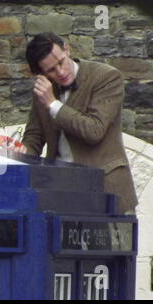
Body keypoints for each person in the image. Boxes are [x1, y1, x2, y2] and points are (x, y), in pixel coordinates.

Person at [18, 32, 137, 214]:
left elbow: (94, 130)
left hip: (106, 193)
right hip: (61, 194)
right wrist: (22, 151)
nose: (61, 72)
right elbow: (34, 136)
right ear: (41, 73)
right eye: (51, 70)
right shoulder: (43, 90)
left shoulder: (107, 77)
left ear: (67, 49)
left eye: (61, 62)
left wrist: (52, 104)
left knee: (111, 243)